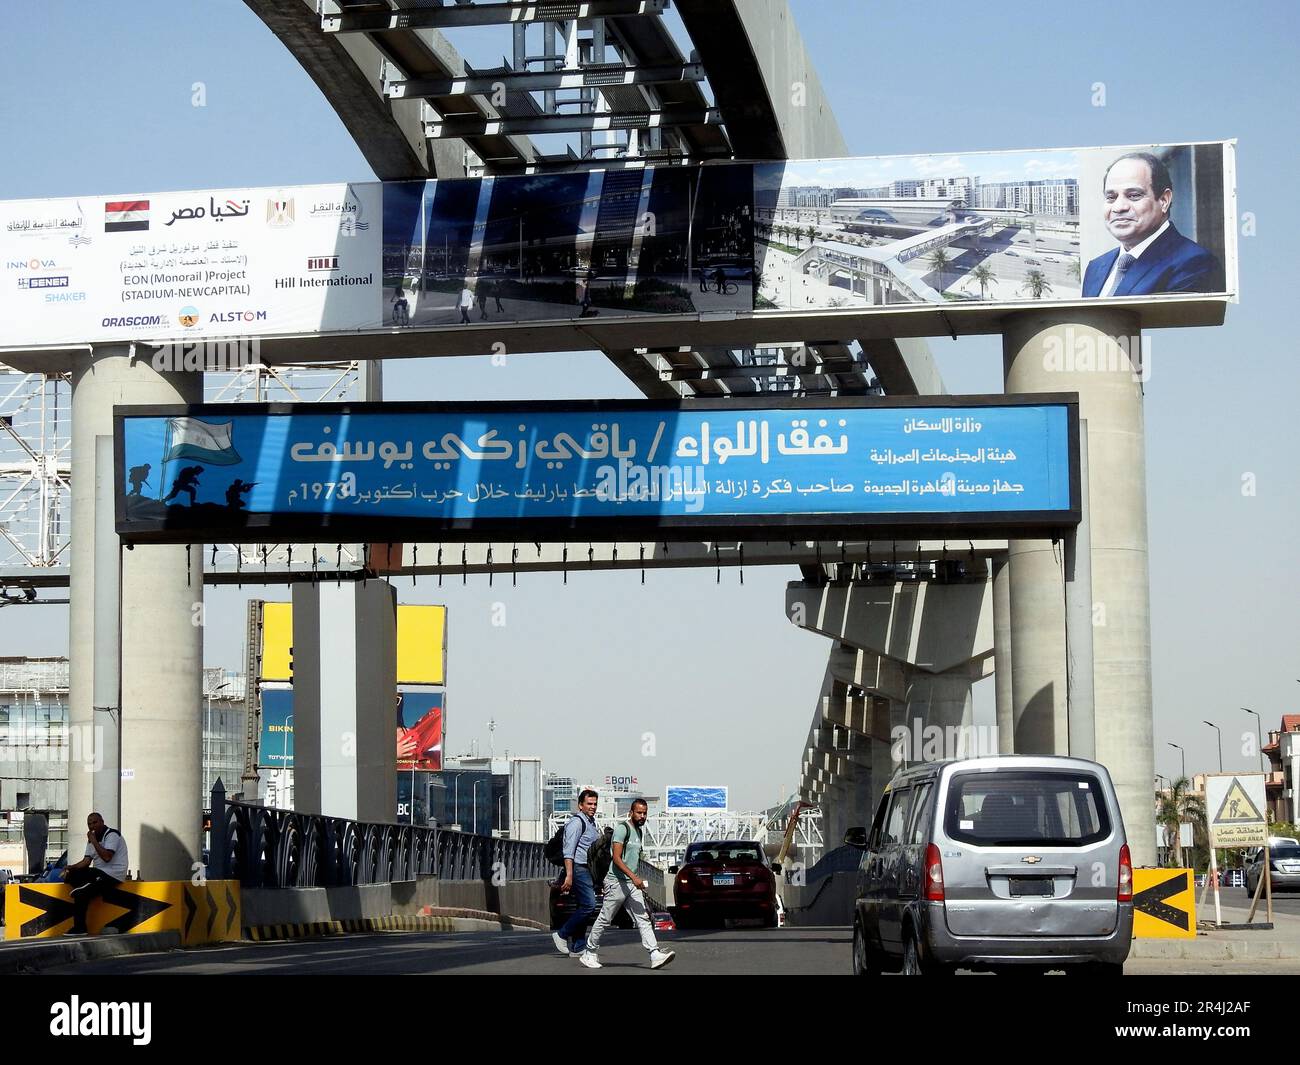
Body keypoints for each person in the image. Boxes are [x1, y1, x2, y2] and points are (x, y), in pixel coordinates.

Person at [1082, 151, 1223, 298]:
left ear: (1164, 200)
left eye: (1134, 195)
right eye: (1111, 197)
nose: (1119, 207)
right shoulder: (1095, 267)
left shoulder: (1195, 264)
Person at [579, 798, 675, 970]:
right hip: (615, 882)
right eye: (639, 812)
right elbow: (616, 859)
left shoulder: (639, 832)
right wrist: (635, 877)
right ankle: (589, 952)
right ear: (631, 812)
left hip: (630, 883)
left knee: (643, 918)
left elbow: (633, 860)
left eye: (645, 813)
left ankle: (654, 954)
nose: (642, 816)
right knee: (605, 918)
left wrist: (635, 879)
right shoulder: (622, 829)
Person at [61, 813, 129, 936]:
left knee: (81, 894)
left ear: (102, 822)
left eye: (95, 822)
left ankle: (80, 928)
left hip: (112, 875)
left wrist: (94, 841)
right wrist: (71, 867)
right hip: (97, 873)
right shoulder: (91, 839)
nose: (92, 826)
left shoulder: (112, 835)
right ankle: (85, 887)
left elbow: (107, 857)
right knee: (71, 875)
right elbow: (86, 861)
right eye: (89, 824)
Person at [552, 789, 601, 957]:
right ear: (581, 805)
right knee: (589, 905)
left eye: (595, 804)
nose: (593, 807)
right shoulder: (576, 823)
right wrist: (569, 875)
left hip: (587, 869)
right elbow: (569, 851)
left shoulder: (590, 822)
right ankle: (561, 934)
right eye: (589, 804)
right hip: (578, 868)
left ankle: (578, 947)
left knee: (583, 906)